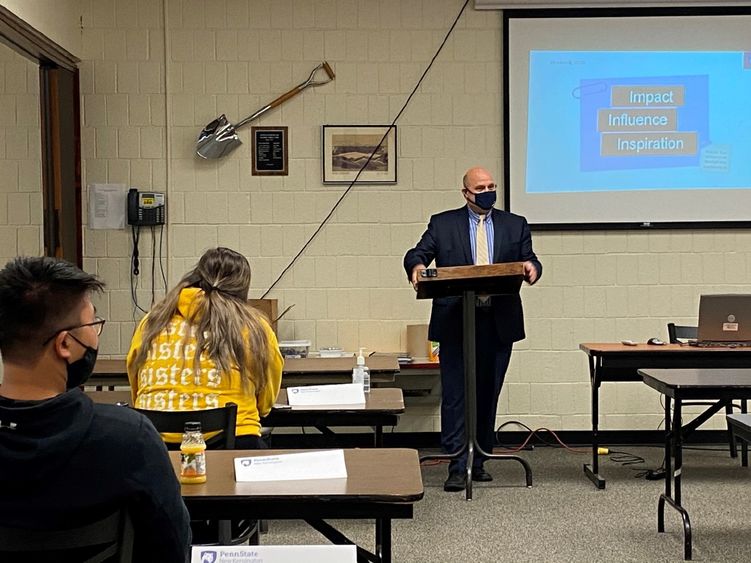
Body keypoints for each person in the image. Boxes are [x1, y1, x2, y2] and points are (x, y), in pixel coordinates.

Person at [0, 256, 191, 562]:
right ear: (65, 344)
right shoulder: (130, 439)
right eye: (92, 323)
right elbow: (173, 549)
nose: (94, 334)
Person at [404, 166, 542, 492]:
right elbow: (417, 253)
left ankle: (480, 461)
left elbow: (530, 259)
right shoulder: (443, 223)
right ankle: (456, 464)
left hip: (498, 322)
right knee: (455, 395)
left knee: (487, 393)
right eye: (481, 187)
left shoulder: (515, 224)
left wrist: (532, 267)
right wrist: (417, 267)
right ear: (466, 192)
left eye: (492, 185)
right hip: (456, 322)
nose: (488, 191)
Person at [127, 247, 283, 449]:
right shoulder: (255, 327)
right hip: (234, 442)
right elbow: (266, 401)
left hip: (156, 444)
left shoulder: (153, 321)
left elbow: (135, 379)